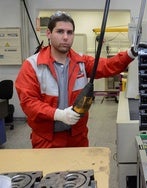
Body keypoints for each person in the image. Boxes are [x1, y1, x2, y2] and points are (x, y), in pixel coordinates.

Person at [15, 11, 137, 148]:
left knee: (80, 170)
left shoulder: (81, 62)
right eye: (60, 32)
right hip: (47, 139)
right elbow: (29, 103)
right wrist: (58, 114)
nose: (66, 37)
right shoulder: (32, 65)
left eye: (70, 32)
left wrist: (130, 54)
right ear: (48, 33)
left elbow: (107, 66)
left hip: (77, 137)